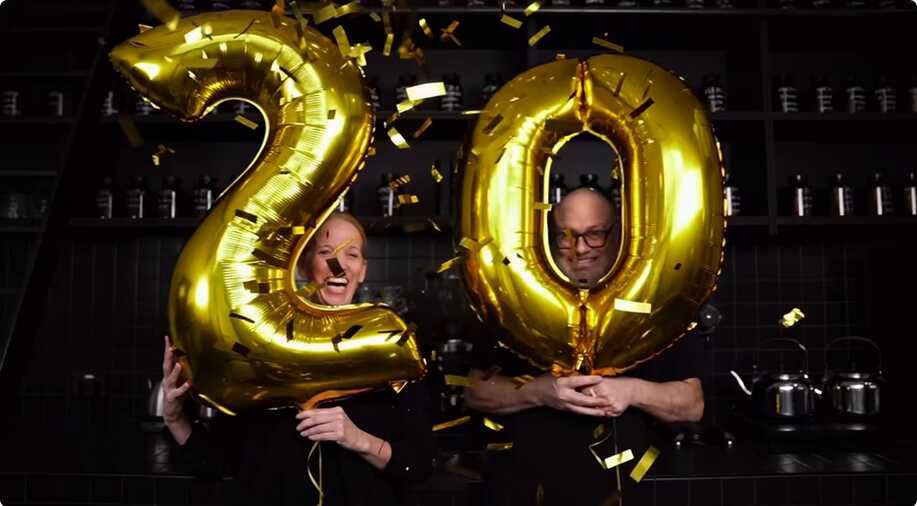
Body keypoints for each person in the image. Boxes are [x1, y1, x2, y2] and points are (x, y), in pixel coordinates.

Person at [161, 212, 434, 506]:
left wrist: (356, 438)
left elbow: (418, 464)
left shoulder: (392, 348)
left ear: (363, 270)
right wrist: (175, 417)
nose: (338, 265)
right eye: (325, 252)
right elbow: (216, 460)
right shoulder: (262, 349)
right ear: (304, 266)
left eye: (351, 254)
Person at [465, 187, 704, 506]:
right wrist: (538, 391)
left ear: (618, 234)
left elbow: (692, 404)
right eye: (566, 235)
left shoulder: (654, 307)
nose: (579, 248)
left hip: (623, 492)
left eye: (594, 234)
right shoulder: (511, 305)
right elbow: (474, 392)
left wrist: (630, 391)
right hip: (523, 491)